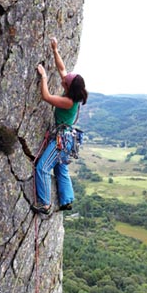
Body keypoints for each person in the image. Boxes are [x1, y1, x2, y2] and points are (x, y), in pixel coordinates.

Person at [32, 37, 88, 215]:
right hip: (68, 138)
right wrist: (55, 49)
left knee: (42, 167)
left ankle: (45, 204)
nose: (63, 80)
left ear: (69, 88)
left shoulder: (68, 102)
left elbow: (47, 97)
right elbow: (62, 68)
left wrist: (44, 77)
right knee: (61, 167)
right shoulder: (73, 94)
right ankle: (67, 200)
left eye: (65, 82)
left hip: (62, 140)